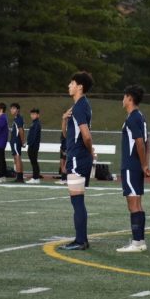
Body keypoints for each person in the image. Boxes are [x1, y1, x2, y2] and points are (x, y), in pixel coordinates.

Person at [58, 72, 94, 252]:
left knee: (77, 200)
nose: (69, 85)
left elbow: (86, 135)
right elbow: (67, 135)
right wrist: (64, 119)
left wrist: (89, 151)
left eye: (71, 82)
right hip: (79, 156)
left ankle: (81, 240)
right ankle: (81, 239)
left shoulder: (80, 106)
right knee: (77, 199)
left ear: (80, 86)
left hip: (78, 157)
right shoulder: (80, 106)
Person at [117, 86, 150, 253]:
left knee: (133, 204)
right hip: (136, 165)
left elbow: (139, 141)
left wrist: (143, 164)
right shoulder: (141, 117)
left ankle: (137, 243)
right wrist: (145, 164)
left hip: (131, 166)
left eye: (124, 97)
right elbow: (147, 142)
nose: (122, 100)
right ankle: (140, 241)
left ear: (129, 98)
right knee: (137, 203)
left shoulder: (132, 118)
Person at [8, 103, 25, 183]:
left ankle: (19, 177)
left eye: (13, 108)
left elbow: (21, 130)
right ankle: (20, 176)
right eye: (11, 108)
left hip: (16, 141)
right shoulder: (16, 118)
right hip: (14, 141)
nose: (11, 110)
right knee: (17, 158)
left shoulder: (18, 118)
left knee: (17, 158)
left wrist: (23, 141)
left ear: (17, 110)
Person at [25, 108, 42, 183]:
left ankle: (36, 178)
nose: (32, 115)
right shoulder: (34, 123)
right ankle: (35, 177)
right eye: (31, 114)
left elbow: (34, 136)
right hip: (32, 145)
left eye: (34, 114)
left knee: (34, 161)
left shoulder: (37, 123)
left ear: (38, 115)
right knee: (33, 161)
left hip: (33, 145)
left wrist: (30, 144)